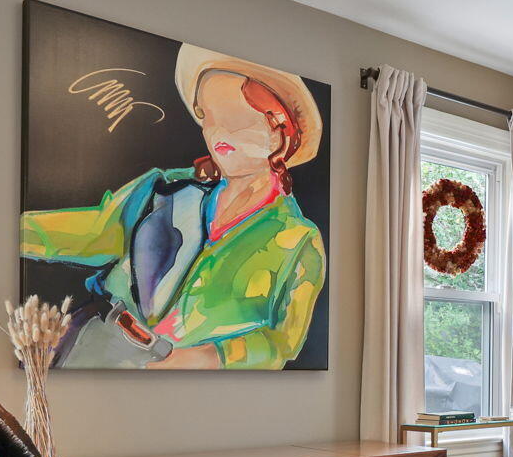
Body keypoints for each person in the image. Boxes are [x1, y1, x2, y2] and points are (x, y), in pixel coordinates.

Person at [21, 46, 325, 369]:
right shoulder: (166, 188)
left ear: (282, 133)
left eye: (236, 119)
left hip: (191, 382)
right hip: (100, 343)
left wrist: (204, 360)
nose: (219, 131)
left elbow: (281, 343)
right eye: (209, 116)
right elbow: (96, 231)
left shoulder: (299, 240)